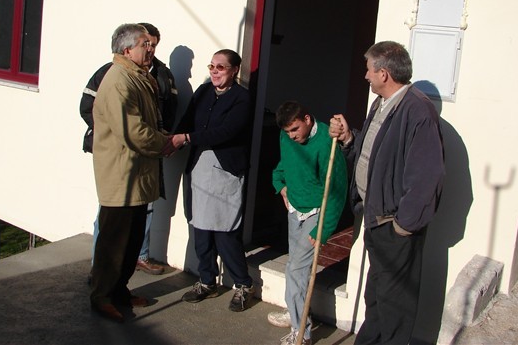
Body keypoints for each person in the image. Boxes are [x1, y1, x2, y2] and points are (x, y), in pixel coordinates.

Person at [329, 41, 445, 345]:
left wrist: (403, 225)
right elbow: (375, 155)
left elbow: (427, 177)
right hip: (375, 218)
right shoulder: (381, 104)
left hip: (394, 226)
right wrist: (348, 138)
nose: (365, 76)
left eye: (369, 70)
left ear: (383, 73)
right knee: (377, 298)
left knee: (395, 308)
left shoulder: (418, 111)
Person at [89, 23, 176, 323]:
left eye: (151, 44)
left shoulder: (136, 76)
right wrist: (164, 143)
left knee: (130, 244)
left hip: (137, 177)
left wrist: (161, 136)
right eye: (144, 44)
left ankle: (119, 292)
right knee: (113, 245)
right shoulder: (118, 81)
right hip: (122, 178)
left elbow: (149, 121)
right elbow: (134, 131)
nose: (150, 49)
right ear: (127, 50)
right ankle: (101, 297)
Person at [170, 49, 255, 312]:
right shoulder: (203, 92)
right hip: (199, 169)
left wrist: (187, 139)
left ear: (234, 70)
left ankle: (243, 284)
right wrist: (173, 141)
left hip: (224, 172)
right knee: (200, 230)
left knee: (225, 232)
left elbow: (227, 131)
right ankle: (207, 281)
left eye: (221, 67)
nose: (214, 71)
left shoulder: (242, 98)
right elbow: (187, 122)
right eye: (212, 66)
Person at [267, 101, 348, 345]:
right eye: (287, 132)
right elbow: (284, 166)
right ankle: (295, 311)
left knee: (297, 269)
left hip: (316, 213)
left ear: (308, 120)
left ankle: (302, 332)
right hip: (294, 207)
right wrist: (280, 184)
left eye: (295, 130)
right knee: (294, 265)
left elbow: (337, 192)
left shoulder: (326, 143)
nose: (291, 137)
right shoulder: (286, 137)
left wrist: (322, 230)